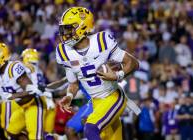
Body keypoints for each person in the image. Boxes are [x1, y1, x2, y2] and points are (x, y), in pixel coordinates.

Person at [56, 7, 139, 140]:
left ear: (83, 26)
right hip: (96, 102)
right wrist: (69, 95)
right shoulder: (63, 52)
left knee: (90, 127)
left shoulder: (102, 41)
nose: (65, 33)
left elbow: (134, 63)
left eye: (69, 28)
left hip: (113, 97)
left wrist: (117, 75)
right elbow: (73, 83)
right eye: (64, 29)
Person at [0, 43, 47, 139]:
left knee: (35, 137)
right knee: (11, 132)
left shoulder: (13, 68)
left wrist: (13, 96)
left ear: (1, 56)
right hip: (21, 106)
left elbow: (30, 89)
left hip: (33, 104)